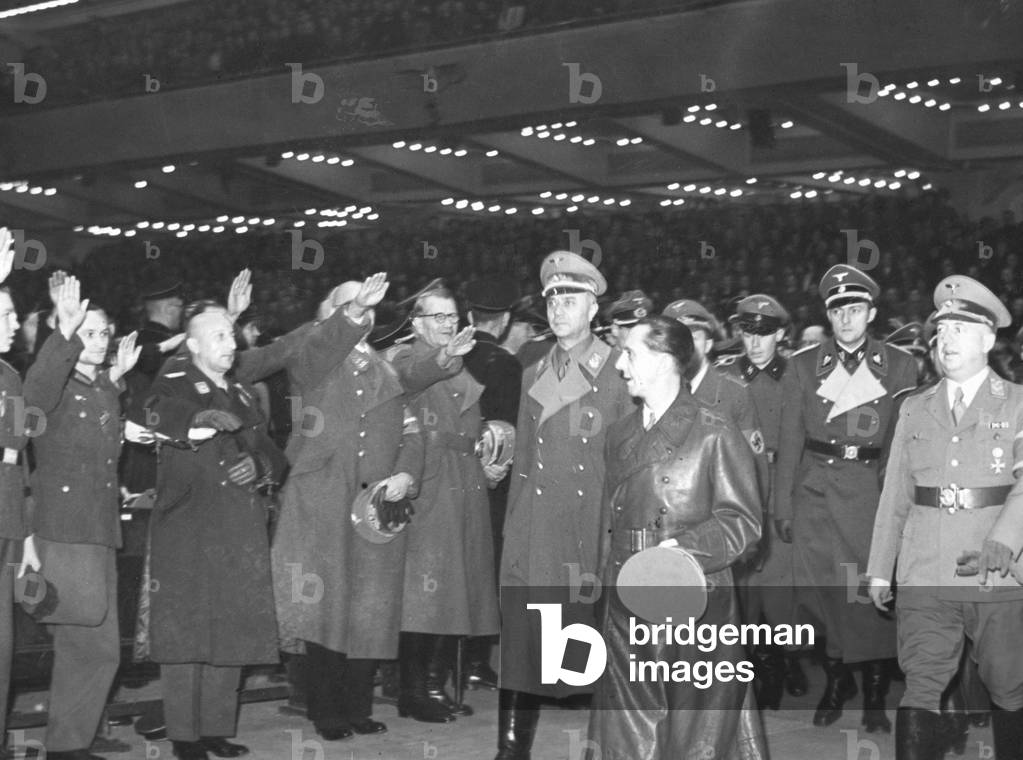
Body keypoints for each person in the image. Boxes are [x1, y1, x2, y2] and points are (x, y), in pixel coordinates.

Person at [587, 314, 767, 759]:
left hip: (697, 597)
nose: (620, 366)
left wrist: (681, 553)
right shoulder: (619, 434)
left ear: (666, 360)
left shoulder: (715, 431)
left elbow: (744, 522)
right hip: (627, 597)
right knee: (627, 720)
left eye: (630, 353)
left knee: (697, 725)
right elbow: (610, 521)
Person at [867, 275, 1023, 760]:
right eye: (942, 330)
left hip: (995, 570)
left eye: (960, 328)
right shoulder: (915, 409)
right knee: (921, 683)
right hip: (925, 569)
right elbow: (896, 494)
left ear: (988, 339)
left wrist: (1006, 538)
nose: (946, 339)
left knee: (1008, 685)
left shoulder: (1017, 403)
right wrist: (879, 566)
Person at [268, 274, 427, 741]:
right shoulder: (311, 360)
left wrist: (405, 474)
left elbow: (412, 432)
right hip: (321, 501)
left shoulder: (386, 369)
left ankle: (358, 705)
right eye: (349, 305)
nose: (363, 309)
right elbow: (323, 348)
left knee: (369, 608)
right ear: (329, 318)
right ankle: (325, 709)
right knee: (325, 608)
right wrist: (352, 313)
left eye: (367, 305)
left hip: (373, 505)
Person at [131, 303, 288, 760]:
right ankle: (184, 736)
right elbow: (154, 414)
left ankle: (216, 728)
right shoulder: (175, 380)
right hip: (189, 525)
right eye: (218, 336)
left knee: (231, 630)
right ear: (193, 345)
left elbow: (274, 455)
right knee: (186, 635)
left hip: (239, 527)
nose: (231, 343)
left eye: (232, 334)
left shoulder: (241, 393)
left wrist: (257, 465)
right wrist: (197, 421)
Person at [497, 251, 633, 760]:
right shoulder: (532, 370)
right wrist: (512, 530)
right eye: (552, 298)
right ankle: (511, 750)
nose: (558, 309)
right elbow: (526, 460)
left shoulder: (619, 370)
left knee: (592, 647)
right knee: (521, 640)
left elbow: (629, 462)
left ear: (594, 308)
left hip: (587, 527)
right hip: (533, 527)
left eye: (570, 298)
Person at [775, 263, 918, 732]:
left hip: (869, 493)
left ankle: (875, 694)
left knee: (869, 596)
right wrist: (782, 505)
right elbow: (790, 439)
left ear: (871, 312)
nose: (847, 319)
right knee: (822, 598)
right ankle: (837, 683)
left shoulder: (899, 364)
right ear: (828, 315)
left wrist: (899, 508)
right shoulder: (802, 364)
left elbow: (902, 443)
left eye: (855, 309)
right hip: (815, 491)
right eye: (838, 310)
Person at [19, 277, 139, 760]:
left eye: (104, 332)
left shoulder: (100, 386)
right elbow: (34, 398)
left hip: (98, 529)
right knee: (79, 640)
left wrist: (117, 379)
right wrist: (64, 334)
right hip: (66, 529)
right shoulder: (52, 383)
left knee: (102, 648)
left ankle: (76, 736)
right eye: (89, 332)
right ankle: (66, 745)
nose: (100, 339)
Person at [387, 283, 502, 723]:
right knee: (424, 591)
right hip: (431, 480)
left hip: (462, 477)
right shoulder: (409, 356)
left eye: (452, 316)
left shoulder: (455, 359)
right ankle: (412, 691)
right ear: (416, 322)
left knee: (456, 588)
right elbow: (413, 377)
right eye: (438, 317)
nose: (448, 324)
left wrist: (485, 456)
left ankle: (434, 684)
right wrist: (446, 355)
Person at [721, 294, 807, 709]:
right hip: (737, 483)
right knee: (743, 585)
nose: (754, 342)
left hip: (780, 483)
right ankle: (750, 665)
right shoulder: (725, 376)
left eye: (764, 333)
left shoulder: (797, 375)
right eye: (747, 332)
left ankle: (782, 661)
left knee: (778, 584)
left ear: (780, 334)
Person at [463, 277, 524, 691]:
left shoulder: (452, 358)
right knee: (487, 567)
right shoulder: (506, 364)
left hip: (453, 475)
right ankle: (476, 660)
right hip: (494, 475)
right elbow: (510, 426)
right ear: (503, 322)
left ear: (469, 317)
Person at [0, 231, 28, 760]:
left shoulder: (8, 375)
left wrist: (23, 535)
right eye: (1, 310)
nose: (12, 322)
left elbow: (19, 463)